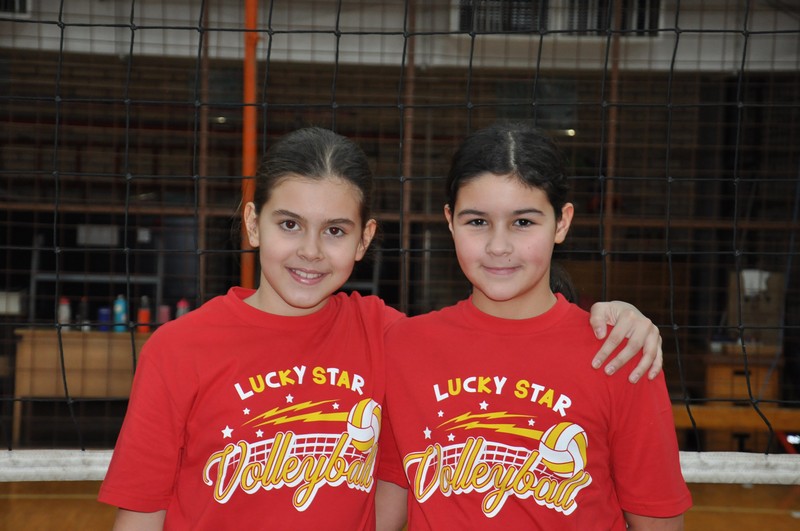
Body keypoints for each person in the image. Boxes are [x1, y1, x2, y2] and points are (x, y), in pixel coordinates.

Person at [98, 127, 665, 530]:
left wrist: (625, 316)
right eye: (289, 224)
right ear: (252, 223)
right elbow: (141, 510)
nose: (310, 251)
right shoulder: (179, 348)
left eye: (335, 231)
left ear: (364, 239)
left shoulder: (389, 336)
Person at [376, 122, 692, 530]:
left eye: (523, 222)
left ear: (561, 223)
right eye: (477, 222)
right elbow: (387, 502)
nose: (498, 246)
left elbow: (657, 521)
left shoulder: (619, 350)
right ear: (450, 221)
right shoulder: (404, 345)